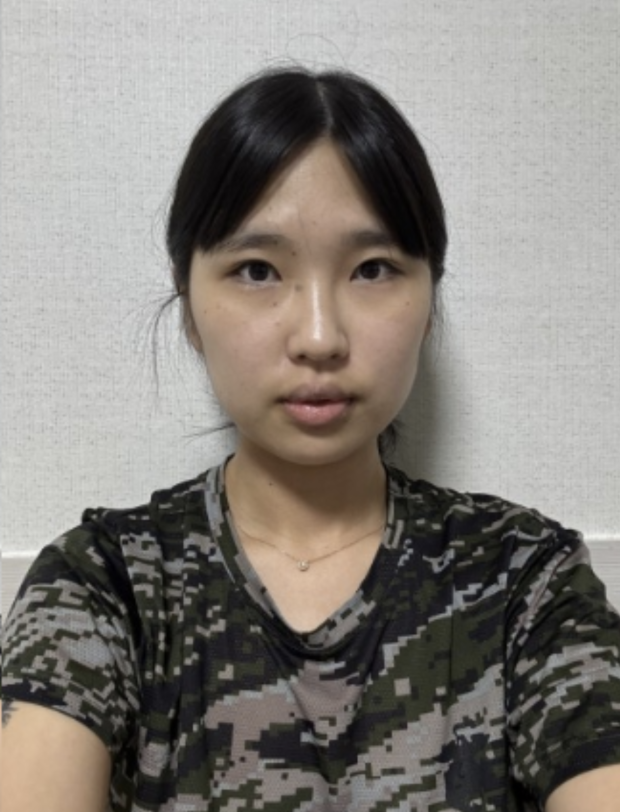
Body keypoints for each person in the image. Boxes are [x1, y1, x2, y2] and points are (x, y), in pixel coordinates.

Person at [1, 67, 619, 812]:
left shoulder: (523, 581)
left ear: (430, 299)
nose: (320, 337)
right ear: (190, 305)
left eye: (373, 269)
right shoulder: (107, 585)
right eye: (257, 270)